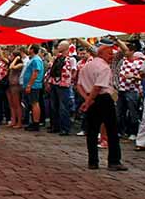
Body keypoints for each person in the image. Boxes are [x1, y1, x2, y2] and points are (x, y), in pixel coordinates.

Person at [75, 40, 128, 171]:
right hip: (103, 99)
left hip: (91, 98)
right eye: (109, 54)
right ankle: (114, 161)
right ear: (101, 54)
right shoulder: (104, 67)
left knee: (92, 131)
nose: (112, 56)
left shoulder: (87, 66)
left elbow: (79, 85)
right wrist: (88, 100)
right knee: (112, 130)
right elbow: (98, 87)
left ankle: (93, 161)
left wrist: (86, 99)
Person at [45, 40, 76, 136]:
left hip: (64, 85)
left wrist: (70, 81)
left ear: (65, 47)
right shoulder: (56, 58)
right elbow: (51, 71)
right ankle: (55, 126)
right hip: (54, 82)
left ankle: (65, 128)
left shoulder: (71, 59)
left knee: (63, 107)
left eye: (59, 45)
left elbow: (74, 71)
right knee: (54, 106)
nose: (58, 47)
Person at [23, 44, 44, 132]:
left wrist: (29, 85)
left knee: (35, 103)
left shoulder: (36, 60)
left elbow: (35, 73)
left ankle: (36, 122)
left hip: (34, 85)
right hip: (32, 85)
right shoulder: (33, 59)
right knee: (32, 103)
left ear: (32, 49)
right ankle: (34, 121)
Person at [6, 51, 23, 128]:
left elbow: (12, 67)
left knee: (17, 104)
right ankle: (13, 120)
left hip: (16, 86)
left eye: (12, 55)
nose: (10, 57)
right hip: (10, 85)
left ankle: (19, 122)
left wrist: (16, 59)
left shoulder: (20, 64)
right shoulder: (11, 63)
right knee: (11, 104)